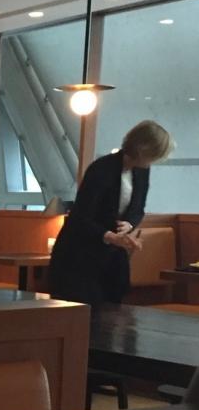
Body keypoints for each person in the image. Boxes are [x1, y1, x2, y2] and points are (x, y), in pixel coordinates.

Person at [48, 120, 174, 305]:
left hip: (111, 257)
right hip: (79, 255)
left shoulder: (142, 171)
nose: (154, 161)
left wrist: (129, 224)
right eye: (154, 154)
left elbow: (138, 208)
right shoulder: (101, 169)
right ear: (142, 150)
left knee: (114, 310)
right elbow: (80, 217)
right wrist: (110, 236)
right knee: (84, 312)